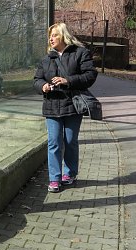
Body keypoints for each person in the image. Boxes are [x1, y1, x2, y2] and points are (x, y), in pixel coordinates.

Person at [33, 23, 98, 193]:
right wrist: (43, 86)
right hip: (52, 106)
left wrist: (67, 80)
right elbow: (36, 79)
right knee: (54, 142)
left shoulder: (80, 53)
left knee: (70, 141)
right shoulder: (47, 59)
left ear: (63, 36)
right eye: (50, 36)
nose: (51, 38)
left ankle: (69, 174)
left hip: (72, 105)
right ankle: (54, 178)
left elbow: (90, 75)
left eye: (54, 35)